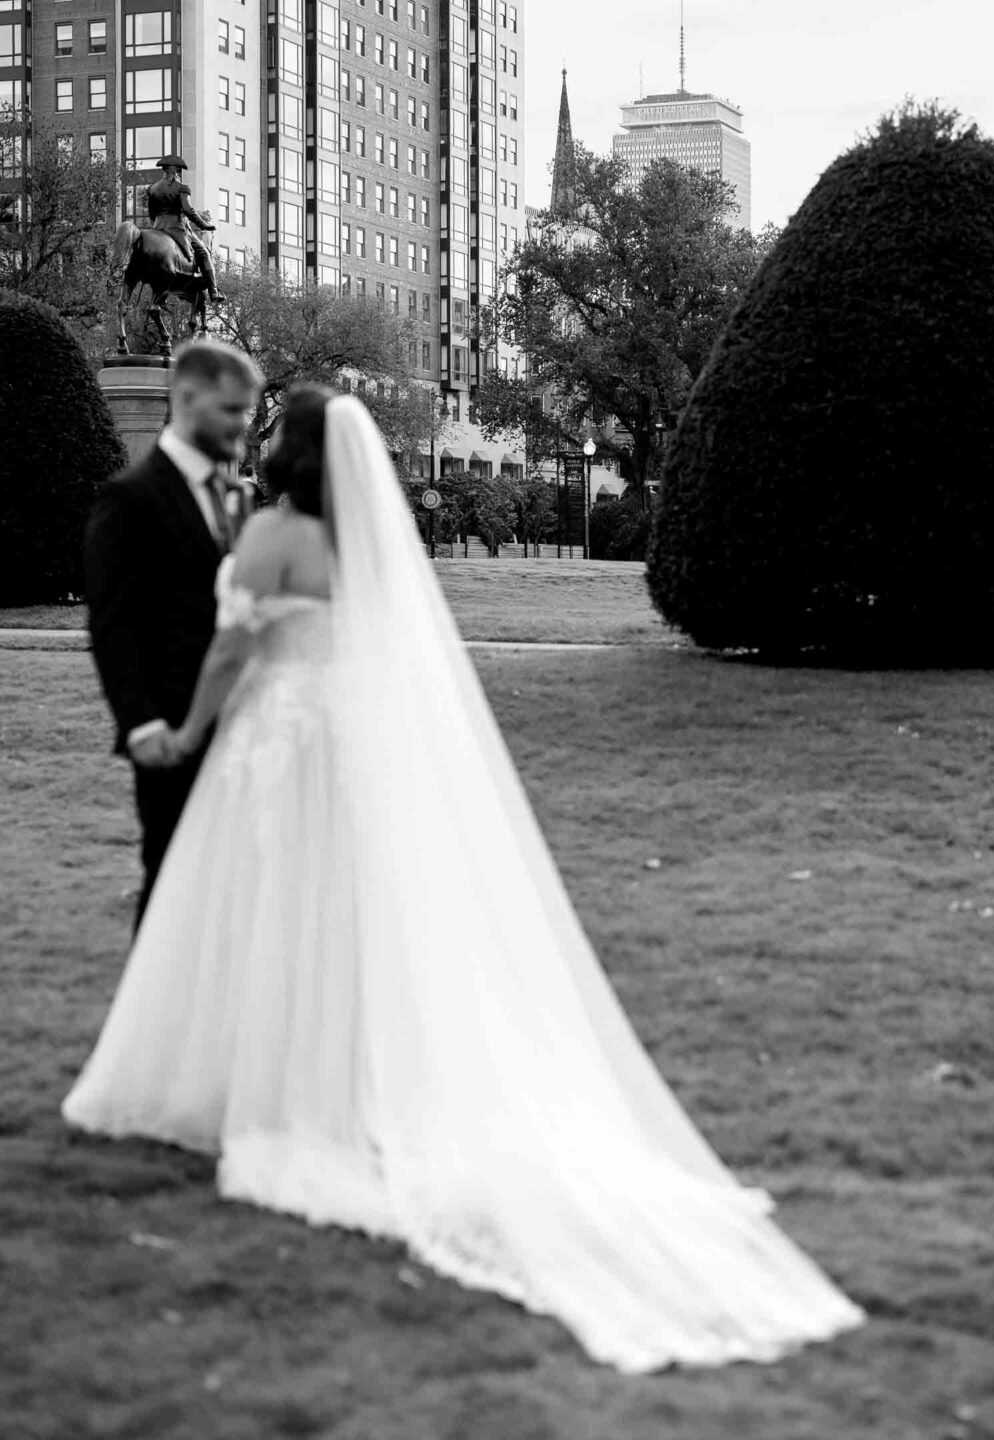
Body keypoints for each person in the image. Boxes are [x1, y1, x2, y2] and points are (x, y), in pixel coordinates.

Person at [64, 388, 864, 1373]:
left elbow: (234, 646)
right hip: (348, 743)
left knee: (268, 907)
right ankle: (343, 1073)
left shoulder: (274, 529)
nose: (262, 438)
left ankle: (275, 1089)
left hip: (277, 739)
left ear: (296, 451)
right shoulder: (364, 538)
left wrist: (188, 727)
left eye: (276, 430)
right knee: (344, 910)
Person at [82, 340, 261, 933]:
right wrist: (141, 724)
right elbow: (112, 625)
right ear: (186, 398)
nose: (243, 426)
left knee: (237, 891)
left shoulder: (237, 496)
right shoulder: (129, 497)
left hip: (247, 726)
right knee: (171, 888)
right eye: (231, 411)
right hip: (170, 731)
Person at [145, 154, 226, 304]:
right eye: (179, 170)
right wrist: (204, 225)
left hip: (158, 229)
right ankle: (213, 291)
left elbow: (151, 213)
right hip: (177, 228)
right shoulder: (181, 188)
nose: (179, 173)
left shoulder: (152, 188)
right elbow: (188, 210)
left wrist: (156, 228)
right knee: (204, 253)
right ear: (174, 170)